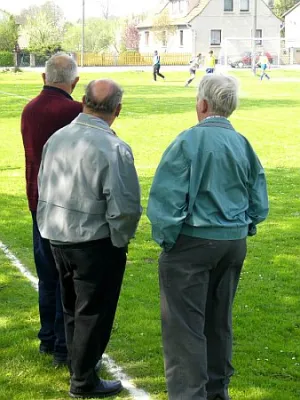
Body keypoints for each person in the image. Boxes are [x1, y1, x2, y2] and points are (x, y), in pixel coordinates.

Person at [147, 74, 269, 400]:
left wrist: (167, 239)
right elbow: (258, 199)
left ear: (202, 104)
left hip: (193, 241)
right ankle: (217, 390)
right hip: (233, 242)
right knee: (218, 321)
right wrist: (245, 226)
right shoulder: (243, 143)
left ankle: (190, 394)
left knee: (184, 328)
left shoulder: (187, 141)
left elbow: (165, 202)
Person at [37, 79, 142, 399]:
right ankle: (83, 380)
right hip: (92, 241)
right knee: (93, 312)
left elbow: (44, 183)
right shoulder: (113, 148)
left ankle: (78, 366)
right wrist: (119, 241)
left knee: (71, 306)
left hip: (57, 234)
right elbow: (125, 207)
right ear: (117, 110)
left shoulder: (58, 138)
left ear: (83, 102)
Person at [21, 53, 82, 367]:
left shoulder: (30, 108)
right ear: (74, 82)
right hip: (66, 204)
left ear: (44, 78)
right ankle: (61, 344)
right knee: (66, 278)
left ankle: (48, 338)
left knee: (47, 275)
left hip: (37, 201)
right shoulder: (74, 111)